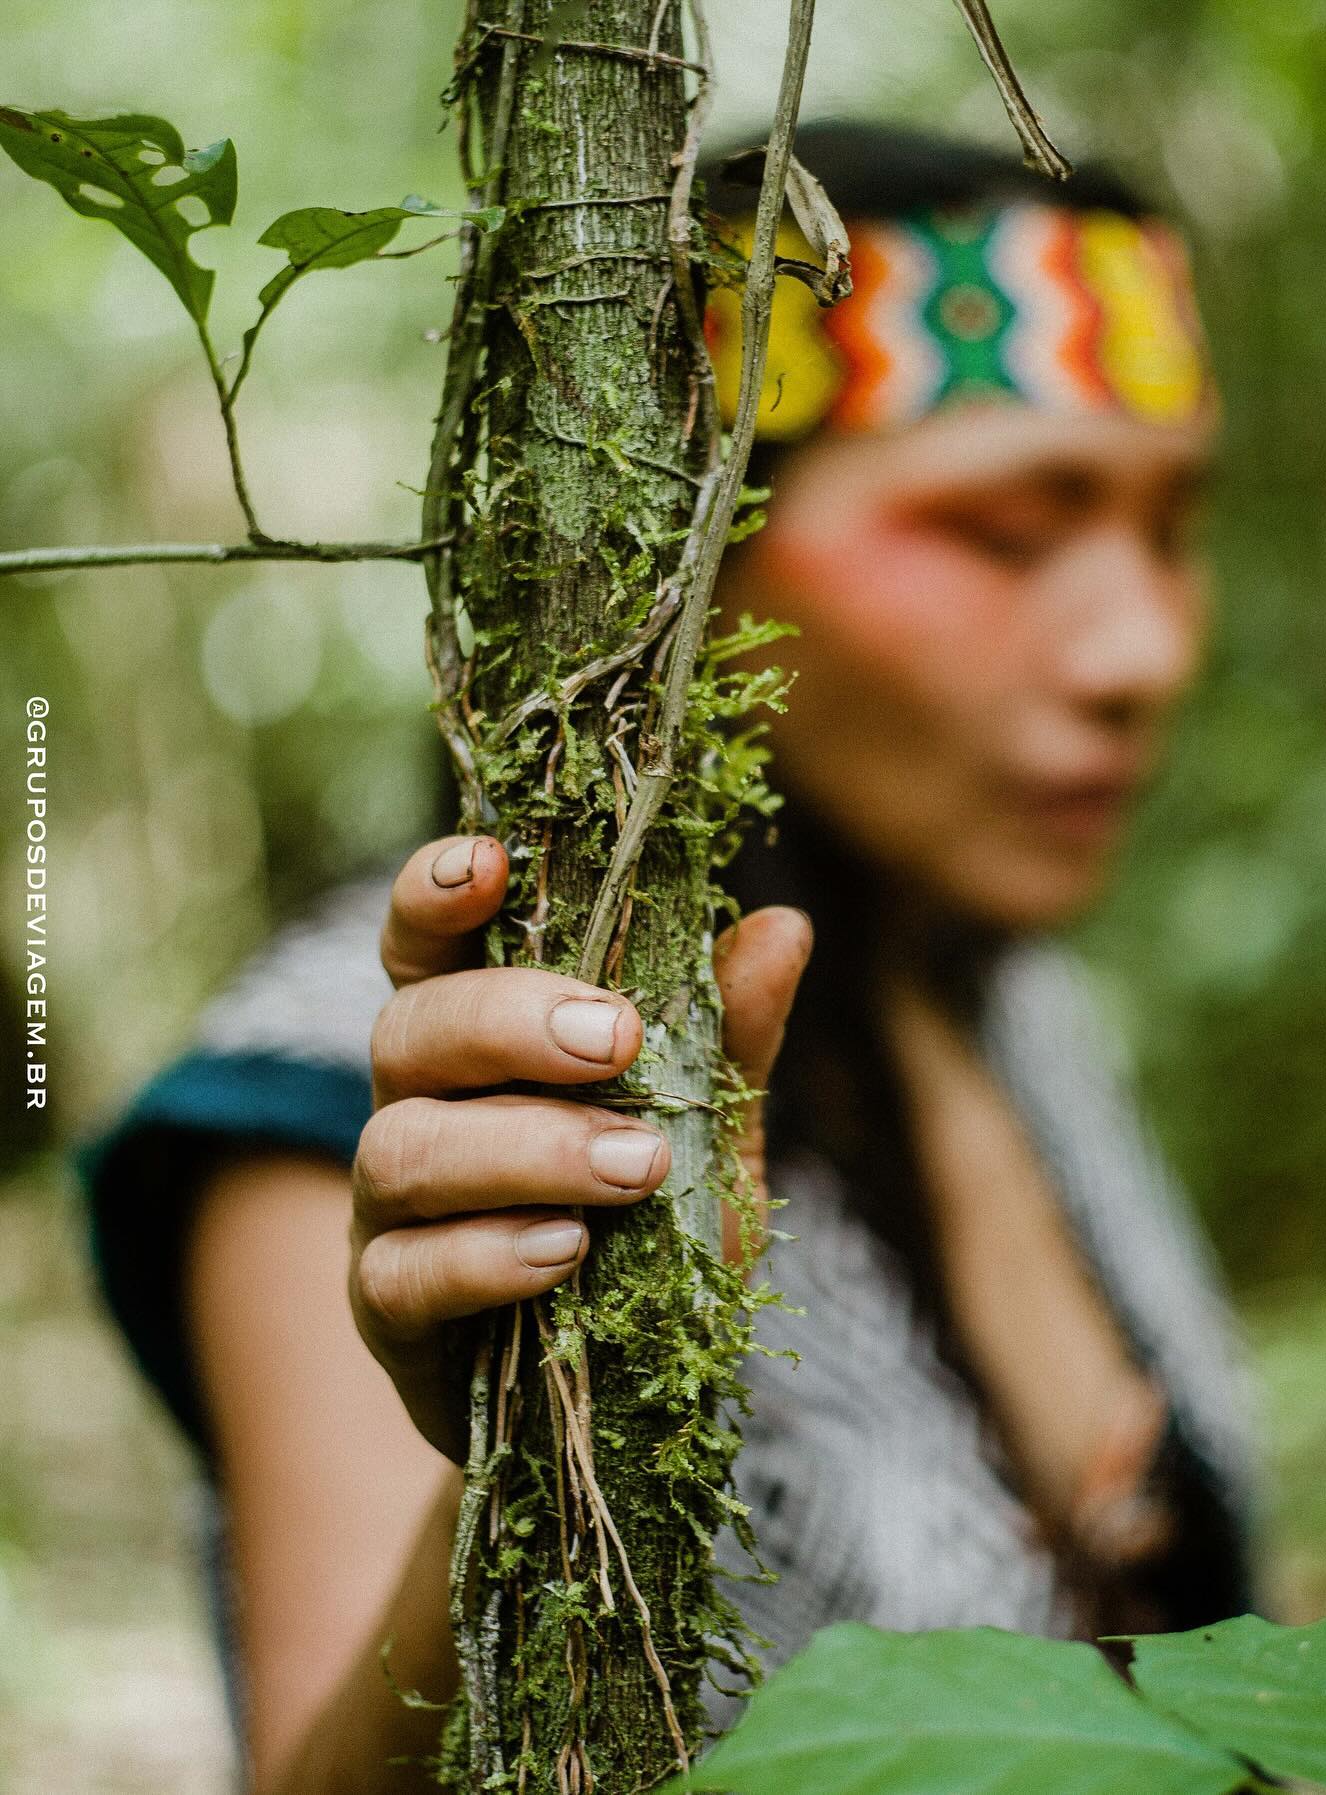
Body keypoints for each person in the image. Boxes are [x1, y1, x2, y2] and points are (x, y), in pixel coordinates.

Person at [83, 122, 1254, 1794]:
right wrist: (509, 1474)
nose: (1142, 645)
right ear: (694, 556)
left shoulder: (996, 988)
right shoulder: (400, 1082)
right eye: (1003, 529)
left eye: (1172, 525)